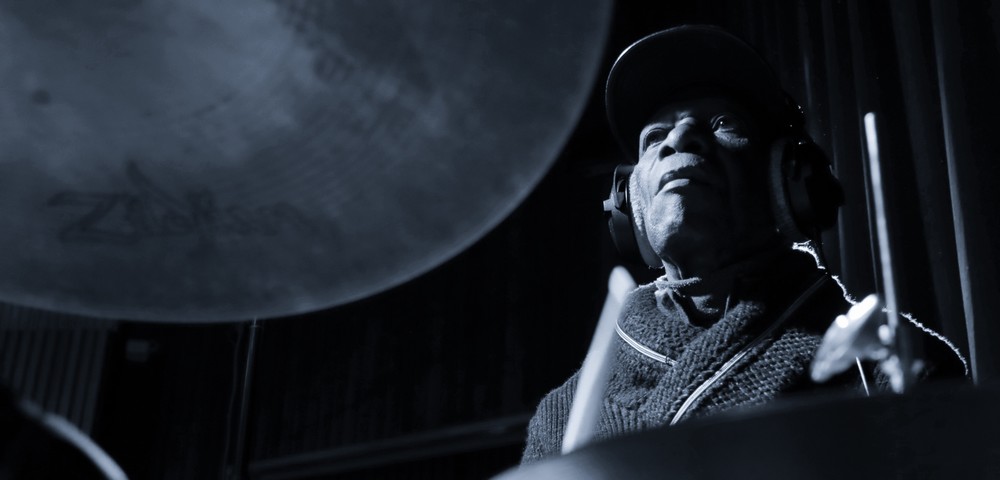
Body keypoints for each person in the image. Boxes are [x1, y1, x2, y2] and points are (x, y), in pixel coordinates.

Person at [520, 25, 967, 464]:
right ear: (628, 203)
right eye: (654, 137)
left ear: (784, 177)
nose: (677, 139)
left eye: (721, 123)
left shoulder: (892, 366)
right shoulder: (561, 419)